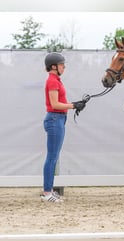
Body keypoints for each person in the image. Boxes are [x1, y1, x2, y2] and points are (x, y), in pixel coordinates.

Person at [41, 52, 86, 203]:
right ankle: (47, 193)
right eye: (61, 65)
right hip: (55, 119)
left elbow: (60, 102)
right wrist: (74, 106)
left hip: (58, 119)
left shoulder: (56, 80)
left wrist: (75, 104)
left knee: (53, 157)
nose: (64, 67)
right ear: (54, 66)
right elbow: (54, 104)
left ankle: (50, 191)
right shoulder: (53, 81)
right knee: (52, 157)